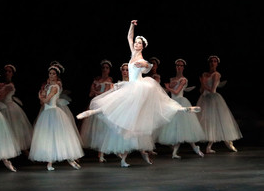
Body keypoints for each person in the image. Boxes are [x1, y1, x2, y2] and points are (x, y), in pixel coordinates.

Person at [76, 20, 201, 166]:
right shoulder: (133, 54)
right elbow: (129, 37)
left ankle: (181, 109)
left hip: (138, 88)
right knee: (124, 114)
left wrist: (146, 65)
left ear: (143, 46)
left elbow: (147, 68)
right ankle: (97, 112)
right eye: (136, 43)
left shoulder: (141, 59)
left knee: (137, 114)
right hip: (130, 87)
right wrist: (132, 25)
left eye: (138, 43)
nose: (135, 44)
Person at [29, 63, 84, 171]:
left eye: (53, 74)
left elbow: (47, 100)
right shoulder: (48, 86)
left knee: (58, 137)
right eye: (50, 73)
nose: (51, 75)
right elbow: (42, 103)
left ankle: (70, 159)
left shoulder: (55, 87)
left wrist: (40, 96)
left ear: (57, 76)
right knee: (48, 138)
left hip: (53, 112)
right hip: (46, 112)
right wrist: (41, 97)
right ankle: (49, 163)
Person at [99, 62, 154, 167]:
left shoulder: (134, 84)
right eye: (123, 70)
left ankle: (142, 153)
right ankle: (125, 159)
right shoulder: (118, 85)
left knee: (135, 135)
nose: (125, 72)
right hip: (122, 114)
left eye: (127, 70)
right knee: (126, 136)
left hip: (133, 112)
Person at [157, 59, 205, 159]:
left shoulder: (184, 79)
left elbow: (176, 92)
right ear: (175, 67)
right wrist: (163, 87)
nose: (179, 67)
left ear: (183, 67)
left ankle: (193, 148)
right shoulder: (172, 79)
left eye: (181, 65)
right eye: (177, 65)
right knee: (176, 128)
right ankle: (176, 152)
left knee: (184, 127)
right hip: (173, 104)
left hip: (181, 103)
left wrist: (168, 87)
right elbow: (168, 91)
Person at [196, 55, 242, 153]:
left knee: (215, 121)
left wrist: (204, 84)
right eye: (211, 61)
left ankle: (224, 143)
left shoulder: (216, 74)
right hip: (204, 99)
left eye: (215, 61)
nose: (213, 63)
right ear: (209, 63)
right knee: (206, 121)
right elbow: (201, 90)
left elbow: (212, 90)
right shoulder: (204, 74)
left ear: (217, 63)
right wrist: (202, 85)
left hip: (213, 99)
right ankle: (208, 147)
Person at [80, 59, 113, 163]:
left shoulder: (109, 80)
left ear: (109, 70)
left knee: (102, 129)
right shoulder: (96, 80)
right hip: (94, 105)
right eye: (103, 68)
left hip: (102, 106)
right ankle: (82, 154)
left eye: (107, 68)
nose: (105, 70)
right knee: (92, 129)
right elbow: (90, 94)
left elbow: (106, 93)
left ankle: (101, 153)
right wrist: (94, 90)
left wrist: (96, 91)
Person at [0, 64, 33, 156]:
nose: (7, 73)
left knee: (15, 130)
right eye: (6, 71)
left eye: (9, 71)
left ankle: (26, 153)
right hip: (3, 108)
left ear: (12, 74)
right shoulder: (2, 84)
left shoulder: (10, 85)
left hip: (9, 107)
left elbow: (0, 97)